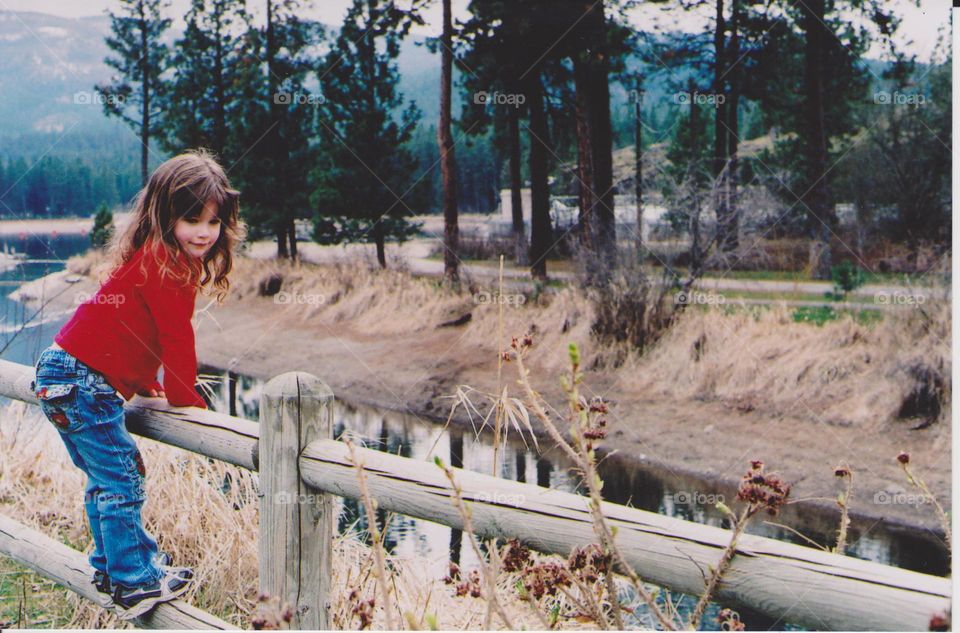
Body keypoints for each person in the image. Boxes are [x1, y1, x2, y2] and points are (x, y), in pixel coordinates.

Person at [31, 149, 245, 620]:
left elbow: (131, 333)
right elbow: (173, 336)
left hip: (62, 373)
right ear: (164, 215)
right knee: (123, 479)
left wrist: (148, 385)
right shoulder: (168, 267)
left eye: (214, 221)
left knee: (105, 479)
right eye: (192, 219)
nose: (205, 232)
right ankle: (134, 582)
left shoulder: (151, 259)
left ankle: (114, 568)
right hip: (82, 381)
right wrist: (186, 399)